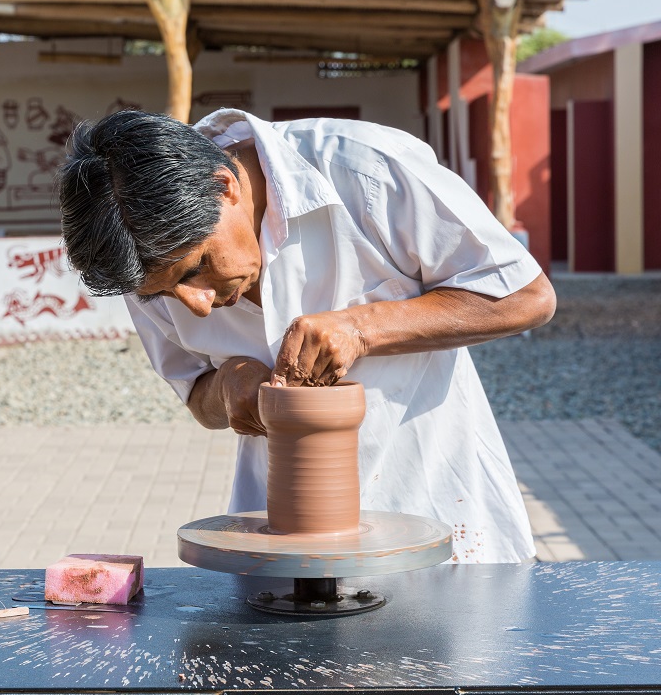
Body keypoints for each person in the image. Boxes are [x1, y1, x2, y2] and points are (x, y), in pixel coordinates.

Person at [54, 108, 556, 564]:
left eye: (196, 270)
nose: (197, 303)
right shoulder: (144, 254)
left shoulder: (364, 170)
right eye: (165, 294)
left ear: (223, 186)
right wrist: (227, 386)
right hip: (282, 556)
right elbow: (197, 395)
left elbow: (527, 295)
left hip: (443, 526)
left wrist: (364, 327)